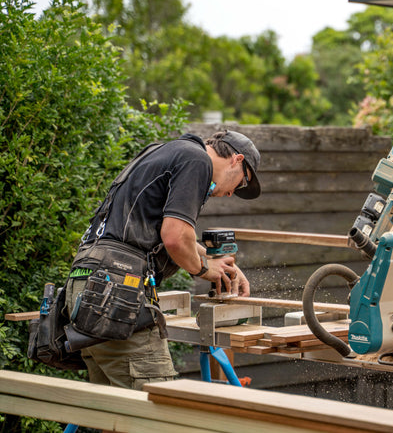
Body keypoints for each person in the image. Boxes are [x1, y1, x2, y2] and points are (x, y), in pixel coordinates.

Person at [63, 130, 260, 391]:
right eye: (241, 184)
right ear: (237, 159)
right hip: (116, 294)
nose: (231, 193)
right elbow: (175, 238)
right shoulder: (197, 161)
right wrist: (204, 270)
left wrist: (217, 261)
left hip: (88, 286)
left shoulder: (162, 152)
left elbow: (166, 234)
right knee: (158, 408)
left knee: (118, 416)